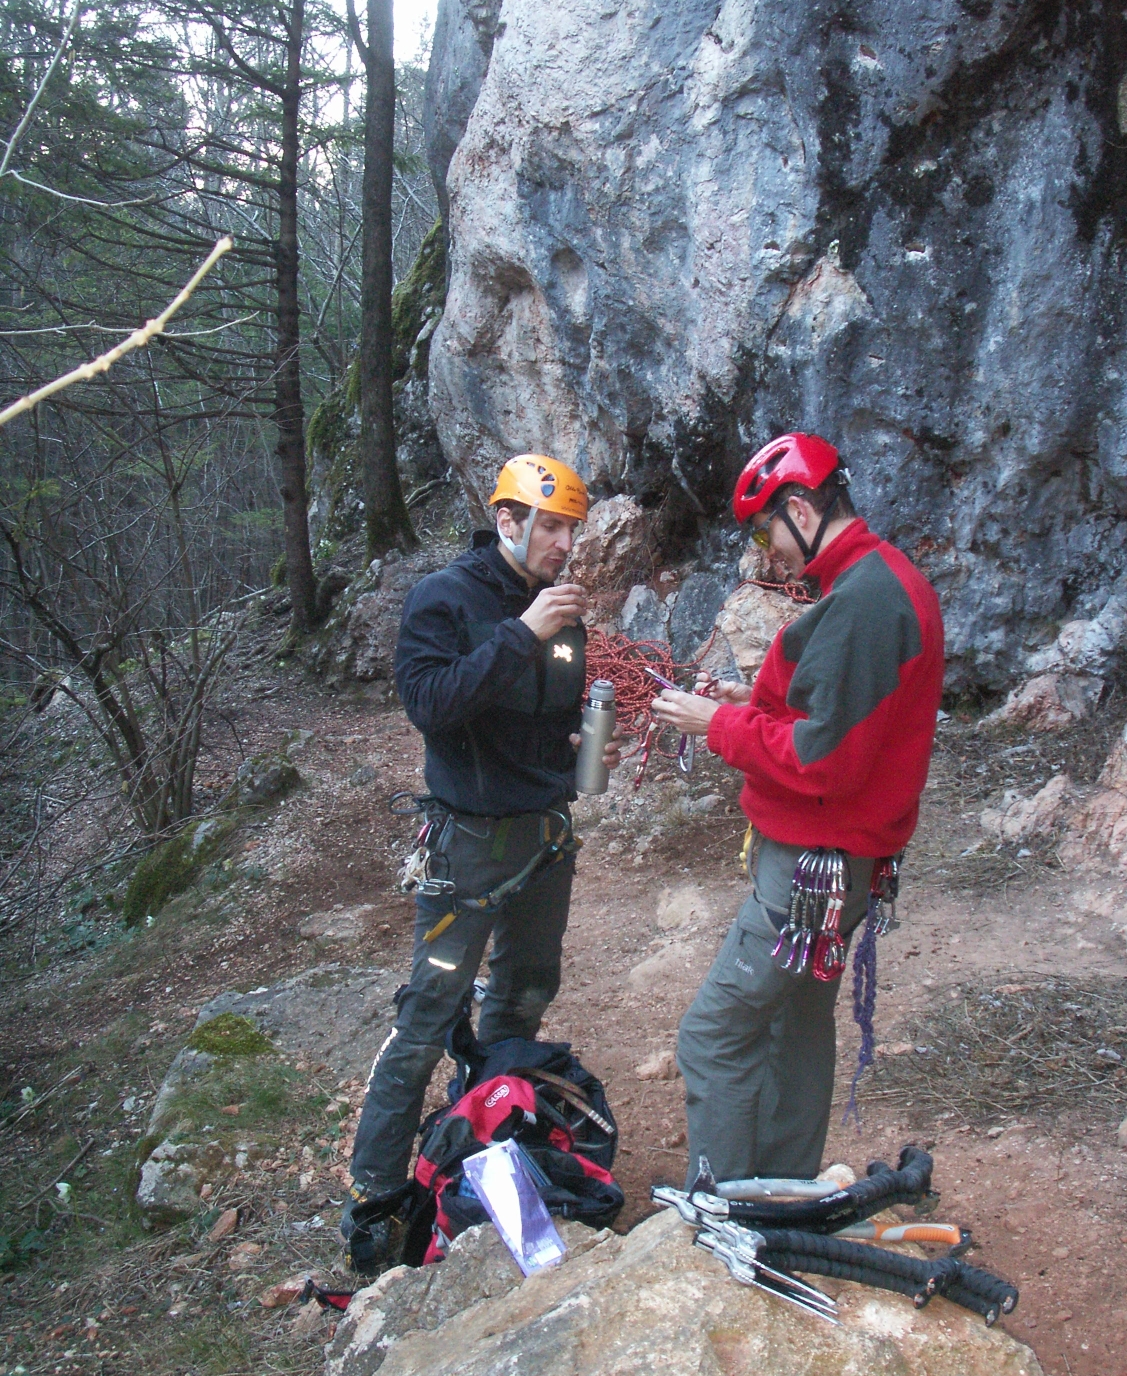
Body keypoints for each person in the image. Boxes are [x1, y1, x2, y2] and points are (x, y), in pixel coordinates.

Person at [342, 454, 624, 1271]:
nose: (566, 545)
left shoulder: (563, 611)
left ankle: (489, 1127)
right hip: (466, 847)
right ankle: (375, 1195)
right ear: (509, 521)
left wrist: (578, 743)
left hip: (543, 835)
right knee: (428, 1012)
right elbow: (430, 704)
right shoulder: (445, 598)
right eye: (554, 527)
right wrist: (524, 630)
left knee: (526, 990)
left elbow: (549, 713)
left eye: (574, 529)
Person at [651, 432, 944, 1188]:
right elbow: (846, 712)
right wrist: (754, 699)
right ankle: (778, 1199)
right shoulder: (876, 582)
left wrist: (715, 726)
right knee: (793, 1028)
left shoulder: (865, 600)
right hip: (839, 865)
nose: (766, 550)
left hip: (813, 867)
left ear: (803, 507)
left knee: (713, 1037)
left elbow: (822, 762)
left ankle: (720, 1215)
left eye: (765, 529)